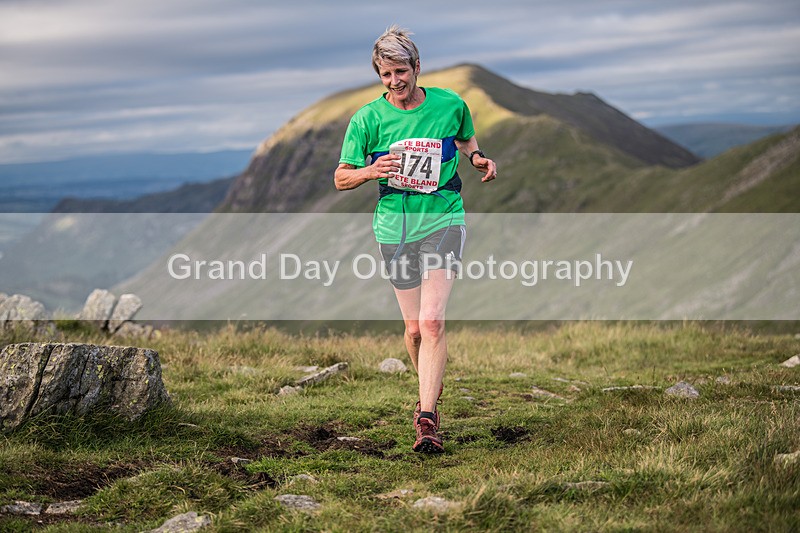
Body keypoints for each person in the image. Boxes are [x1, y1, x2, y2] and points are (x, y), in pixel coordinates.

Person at [334, 25, 496, 453]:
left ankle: (427, 417)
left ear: (417, 67)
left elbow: (464, 137)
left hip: (444, 218)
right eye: (386, 74)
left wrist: (477, 157)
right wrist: (371, 171)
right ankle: (429, 382)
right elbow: (341, 177)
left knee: (432, 321)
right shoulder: (367, 119)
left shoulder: (450, 103)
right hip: (394, 227)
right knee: (413, 330)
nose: (395, 82)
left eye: (401, 72)